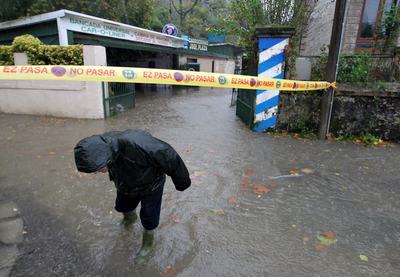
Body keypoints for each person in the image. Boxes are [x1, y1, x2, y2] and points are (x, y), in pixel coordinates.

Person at [74, 129, 191, 264]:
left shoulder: (141, 145)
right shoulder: (103, 146)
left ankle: (147, 244)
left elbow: (170, 156)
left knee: (149, 216)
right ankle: (129, 218)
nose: (97, 173)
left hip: (151, 185)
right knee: (122, 206)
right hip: (125, 183)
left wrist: (182, 183)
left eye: (98, 169)